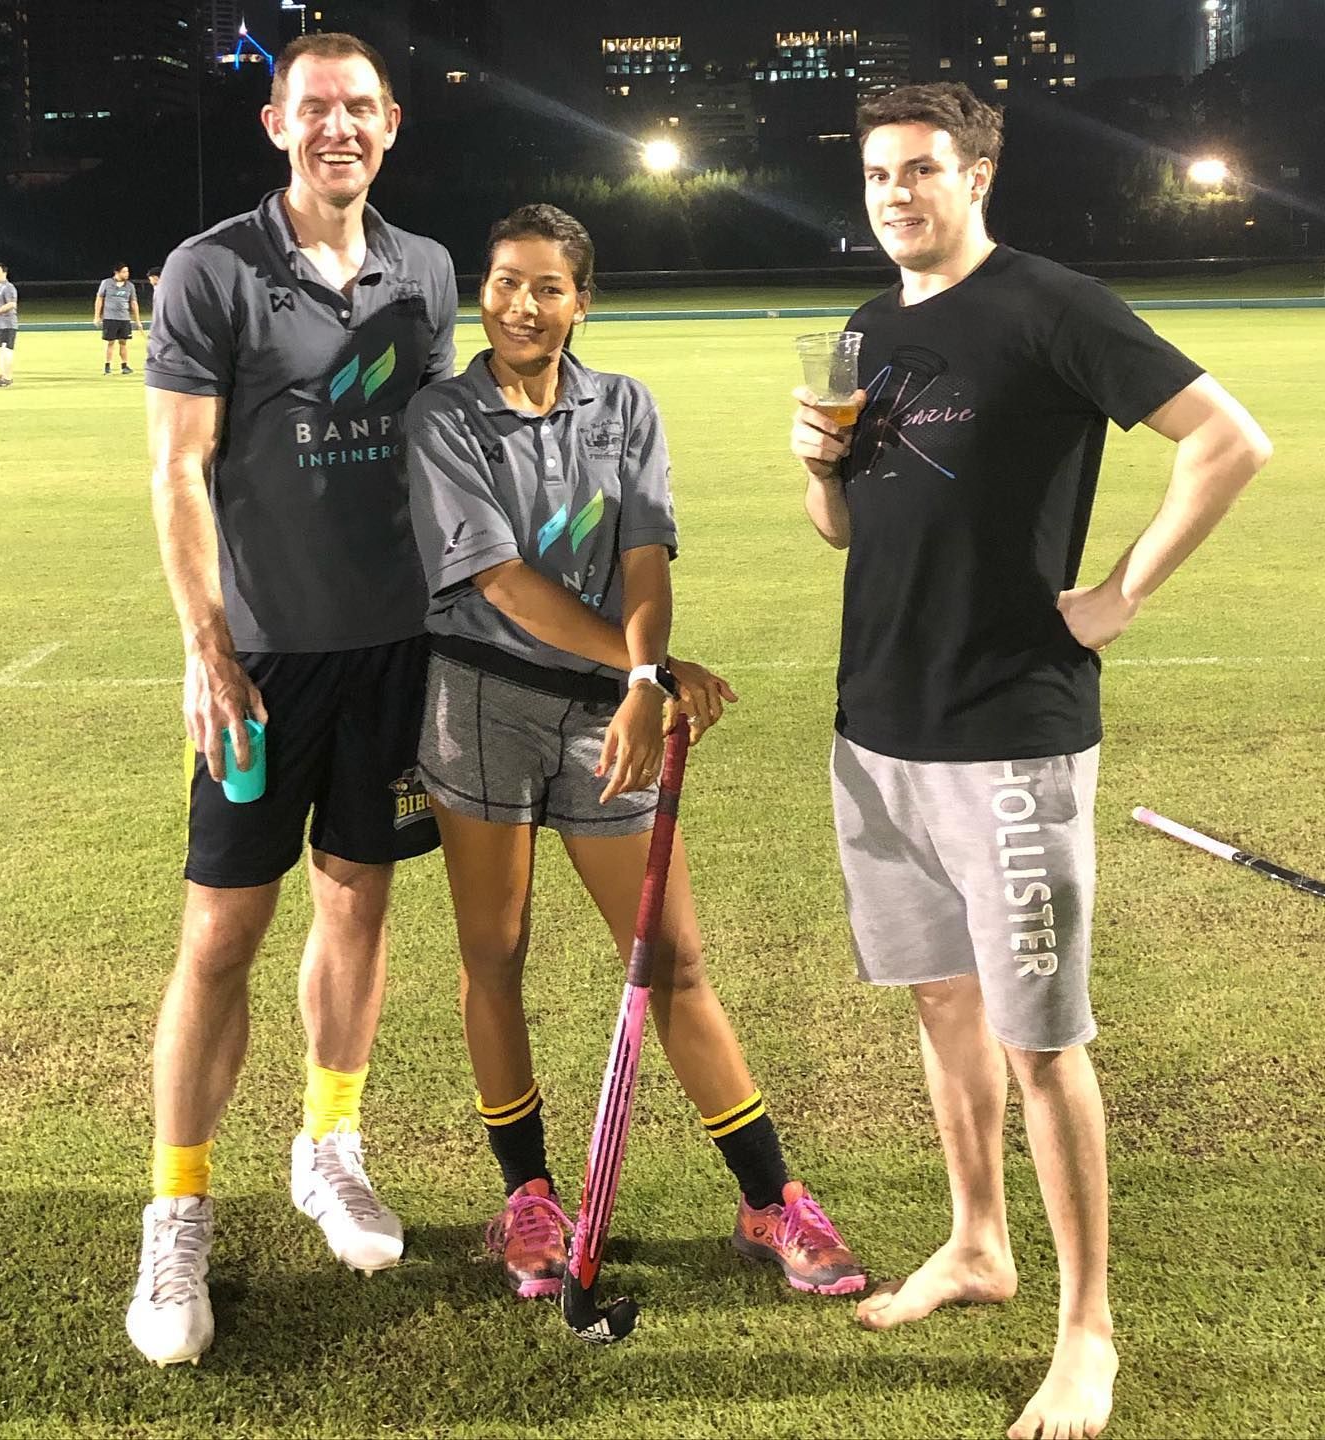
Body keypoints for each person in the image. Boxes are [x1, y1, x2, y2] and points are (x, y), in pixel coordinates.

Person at [788, 83, 1272, 1440]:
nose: (897, 193)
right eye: (879, 173)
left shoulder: (1053, 306)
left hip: (1008, 734)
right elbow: (845, 531)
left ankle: (1087, 1330)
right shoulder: (866, 327)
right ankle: (977, 1243)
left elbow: (1229, 440)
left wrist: (1121, 592)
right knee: (944, 1008)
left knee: (1041, 1043)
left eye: (922, 169)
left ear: (978, 174)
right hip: (876, 727)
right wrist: (818, 470)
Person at [406, 203, 865, 1305]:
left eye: (547, 286)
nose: (522, 304)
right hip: (482, 700)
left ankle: (770, 1200)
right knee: (494, 957)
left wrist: (642, 681)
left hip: (607, 711)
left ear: (582, 300)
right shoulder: (443, 414)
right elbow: (499, 582)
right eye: (504, 281)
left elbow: (645, 554)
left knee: (672, 962)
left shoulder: (625, 406)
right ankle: (528, 1198)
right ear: (483, 290)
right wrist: (648, 672)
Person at [131, 31, 457, 1368]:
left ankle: (328, 1145)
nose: (338, 127)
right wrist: (208, 647)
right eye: (314, 106)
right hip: (262, 664)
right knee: (221, 931)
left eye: (359, 108)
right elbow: (178, 470)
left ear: (392, 123)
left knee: (358, 903)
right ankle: (178, 1209)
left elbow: (441, 456)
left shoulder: (426, 270)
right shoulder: (213, 268)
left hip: (397, 653)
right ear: (276, 123)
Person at [95, 262, 141, 374]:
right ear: (117, 272)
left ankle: (124, 366)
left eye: (127, 271)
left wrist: (137, 320)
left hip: (124, 318)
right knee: (110, 342)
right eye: (124, 272)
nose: (127, 274)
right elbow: (99, 299)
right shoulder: (106, 283)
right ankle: (107, 366)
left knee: (123, 342)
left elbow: (133, 302)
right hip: (110, 318)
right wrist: (97, 316)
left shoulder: (130, 286)